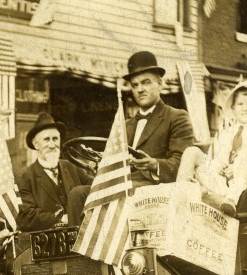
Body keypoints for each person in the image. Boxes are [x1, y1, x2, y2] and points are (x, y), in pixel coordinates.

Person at [68, 50, 195, 222]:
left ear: (160, 83)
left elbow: (183, 163)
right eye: (135, 85)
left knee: (120, 193)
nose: (140, 89)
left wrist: (154, 164)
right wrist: (99, 164)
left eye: (146, 83)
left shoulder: (176, 117)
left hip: (153, 190)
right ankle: (80, 247)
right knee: (77, 194)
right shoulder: (125, 125)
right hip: (123, 186)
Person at [178, 79, 247, 215]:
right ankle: (179, 195)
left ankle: (231, 199)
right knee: (192, 151)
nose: (245, 108)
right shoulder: (226, 133)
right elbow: (215, 161)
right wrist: (218, 166)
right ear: (233, 108)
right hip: (222, 184)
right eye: (240, 104)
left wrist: (238, 170)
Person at [16, 112, 91, 231]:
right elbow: (26, 217)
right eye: (46, 140)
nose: (52, 145)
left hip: (81, 238)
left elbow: (95, 188)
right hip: (47, 244)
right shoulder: (25, 177)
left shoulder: (72, 168)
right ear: (36, 145)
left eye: (55, 139)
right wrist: (60, 219)